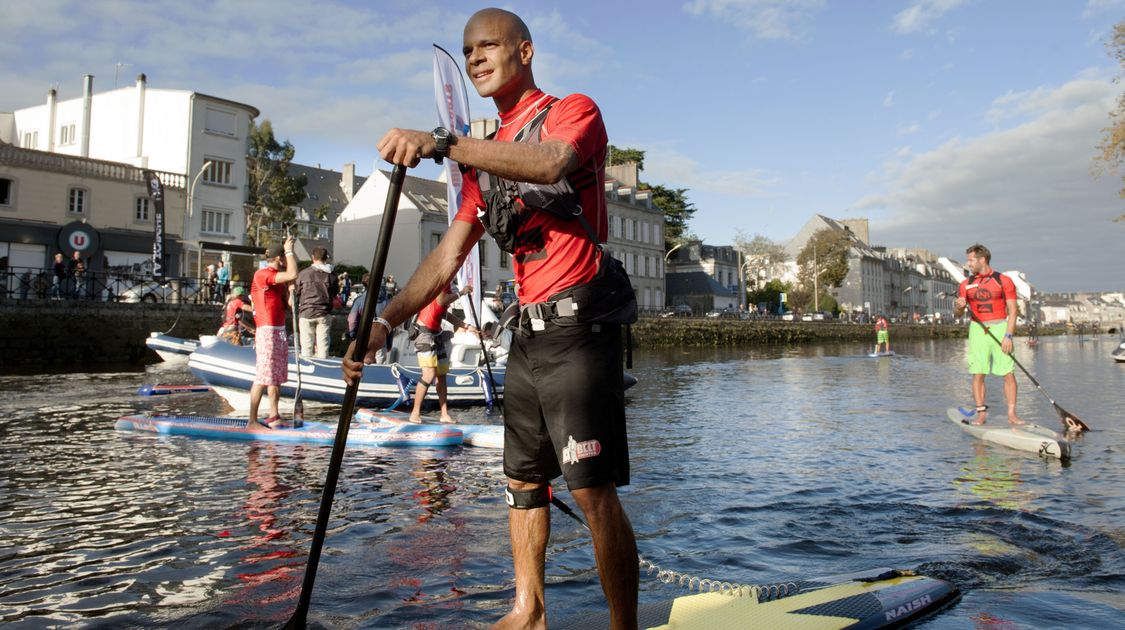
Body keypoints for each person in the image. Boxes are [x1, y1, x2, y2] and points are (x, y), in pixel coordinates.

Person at [343, 9, 637, 627]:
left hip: (579, 329)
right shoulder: (481, 168)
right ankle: (527, 611)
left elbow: (554, 162)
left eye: (489, 46)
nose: (475, 58)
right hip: (526, 338)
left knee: (590, 489)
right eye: (467, 50)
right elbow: (447, 258)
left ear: (524, 52)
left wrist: (445, 143)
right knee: (523, 486)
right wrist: (384, 323)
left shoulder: (572, 110)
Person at [953, 243, 1025, 427]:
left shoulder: (1003, 281)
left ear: (982, 259)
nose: (968, 264)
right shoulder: (966, 284)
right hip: (977, 329)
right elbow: (958, 314)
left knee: (1008, 373)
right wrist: (959, 307)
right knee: (978, 373)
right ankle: (981, 414)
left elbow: (1013, 310)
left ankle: (1012, 414)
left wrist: (1008, 335)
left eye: (971, 260)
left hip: (1000, 327)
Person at [249, 236, 300, 429]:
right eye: (286, 257)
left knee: (275, 376)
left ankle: (274, 415)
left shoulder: (278, 280)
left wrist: (291, 291)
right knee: (263, 376)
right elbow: (293, 272)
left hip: (279, 330)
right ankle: (252, 421)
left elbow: (289, 307)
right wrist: (289, 250)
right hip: (267, 330)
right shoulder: (263, 274)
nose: (288, 260)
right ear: (280, 258)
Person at [409, 284, 474, 424]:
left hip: (437, 335)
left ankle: (444, 414)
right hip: (424, 334)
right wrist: (462, 293)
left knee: (442, 374)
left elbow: (445, 314)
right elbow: (442, 301)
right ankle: (415, 413)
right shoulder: (440, 284)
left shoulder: (447, 288)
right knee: (429, 374)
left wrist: (467, 326)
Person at [294, 246, 338, 359]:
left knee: (306, 349)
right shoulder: (332, 275)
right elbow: (335, 292)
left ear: (312, 257)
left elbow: (296, 292)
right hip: (324, 313)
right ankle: (322, 368)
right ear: (326, 258)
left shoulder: (303, 274)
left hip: (306, 312)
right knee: (323, 348)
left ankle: (307, 370)